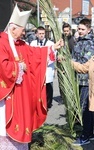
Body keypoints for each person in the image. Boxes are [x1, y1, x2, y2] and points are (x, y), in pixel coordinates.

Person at [0, 4, 62, 149]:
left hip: (21, 96)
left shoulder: (21, 44)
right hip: (7, 96)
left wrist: (53, 48)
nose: (24, 33)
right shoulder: (1, 42)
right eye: (22, 30)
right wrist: (19, 66)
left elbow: (35, 55)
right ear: (13, 28)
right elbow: (2, 66)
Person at [72, 18, 94, 146]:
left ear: (89, 30)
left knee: (85, 108)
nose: (80, 31)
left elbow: (85, 63)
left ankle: (86, 135)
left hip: (86, 81)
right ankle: (89, 133)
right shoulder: (79, 41)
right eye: (78, 29)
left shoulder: (90, 44)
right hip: (78, 80)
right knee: (85, 108)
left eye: (82, 29)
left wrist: (71, 62)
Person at [30, 26, 56, 109]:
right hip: (37, 70)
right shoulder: (33, 43)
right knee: (38, 88)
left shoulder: (51, 44)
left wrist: (43, 62)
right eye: (40, 33)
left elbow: (53, 57)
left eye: (43, 33)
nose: (41, 35)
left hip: (47, 69)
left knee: (48, 88)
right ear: (36, 34)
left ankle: (48, 104)